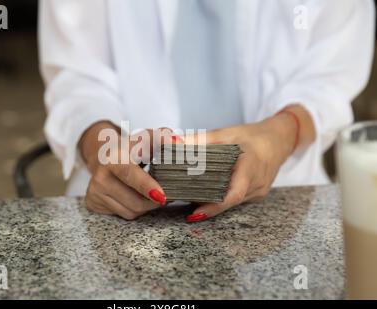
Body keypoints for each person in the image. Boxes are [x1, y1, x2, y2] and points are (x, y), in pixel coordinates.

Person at [39, 0, 375, 222]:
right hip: (122, 211)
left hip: (280, 199)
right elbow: (77, 77)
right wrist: (106, 153)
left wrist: (281, 133)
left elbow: (328, 75)